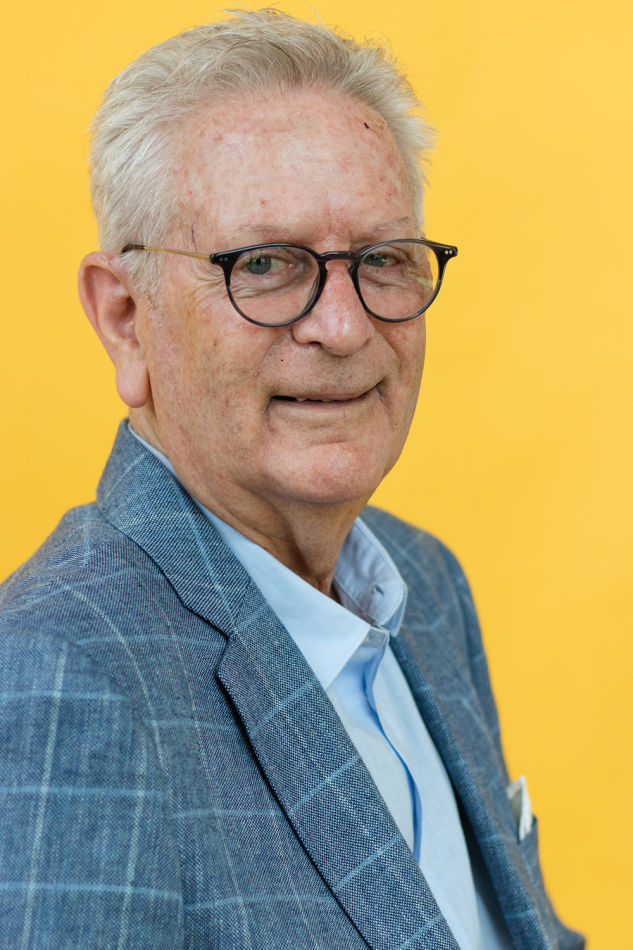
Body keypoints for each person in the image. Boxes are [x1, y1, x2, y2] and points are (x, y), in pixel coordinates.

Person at [0, 10, 583, 949]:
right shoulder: (59, 675)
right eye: (265, 265)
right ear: (124, 319)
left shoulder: (426, 587)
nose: (343, 328)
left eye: (382, 260)